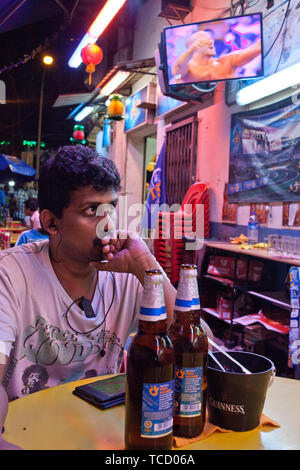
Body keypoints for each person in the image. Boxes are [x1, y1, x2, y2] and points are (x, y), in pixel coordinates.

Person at [0, 144, 212, 450]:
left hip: (102, 434)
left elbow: (204, 348)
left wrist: (146, 267)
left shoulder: (127, 272)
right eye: (91, 211)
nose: (108, 224)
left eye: (111, 208)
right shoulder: (11, 275)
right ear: (51, 223)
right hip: (27, 432)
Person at [172, 30, 261, 83]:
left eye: (211, 39)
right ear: (194, 47)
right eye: (205, 41)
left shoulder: (226, 61)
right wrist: (191, 50)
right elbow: (179, 69)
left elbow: (256, 48)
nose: (212, 42)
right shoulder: (188, 69)